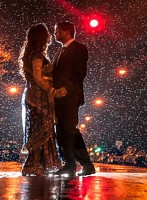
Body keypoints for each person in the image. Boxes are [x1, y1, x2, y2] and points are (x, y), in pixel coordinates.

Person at [19, 24, 67, 176]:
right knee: (42, 128)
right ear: (41, 37)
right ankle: (33, 165)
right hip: (39, 97)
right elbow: (38, 78)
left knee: (42, 128)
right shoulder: (37, 56)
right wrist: (52, 90)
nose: (50, 36)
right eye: (47, 34)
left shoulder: (33, 54)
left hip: (35, 96)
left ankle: (40, 164)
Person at [52, 21, 96, 177]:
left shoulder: (79, 48)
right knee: (64, 131)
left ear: (66, 31)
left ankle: (70, 165)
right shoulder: (58, 53)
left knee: (69, 129)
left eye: (57, 30)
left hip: (71, 96)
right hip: (58, 98)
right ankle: (85, 164)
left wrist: (67, 89)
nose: (54, 33)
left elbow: (80, 74)